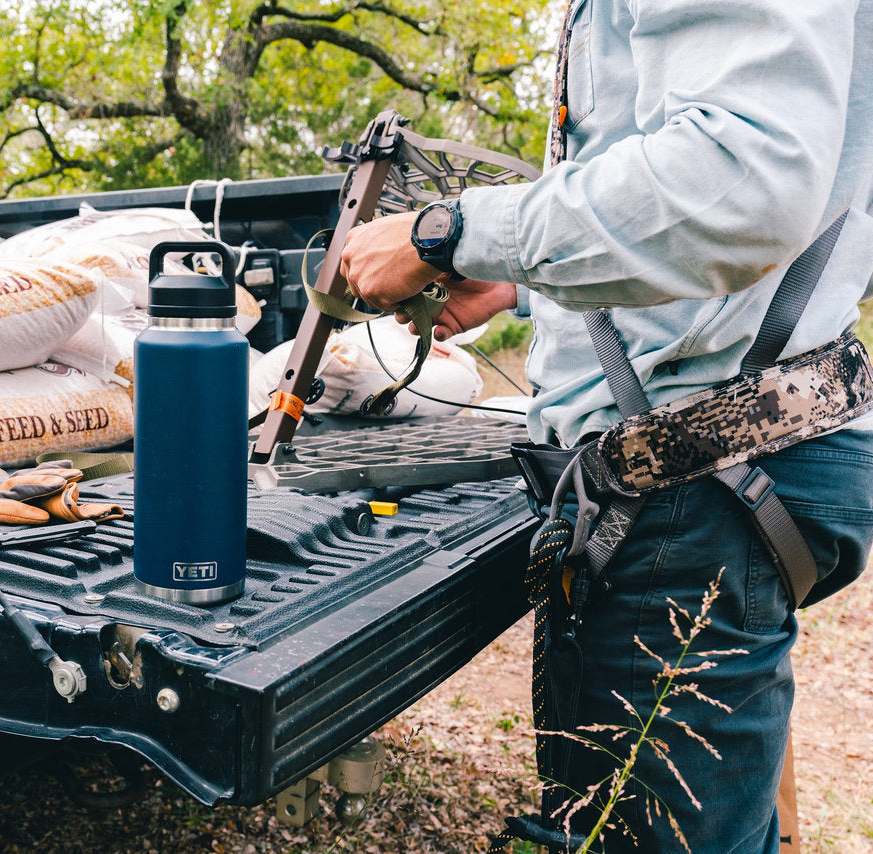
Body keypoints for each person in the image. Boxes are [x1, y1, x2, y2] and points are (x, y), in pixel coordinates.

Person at [340, 1, 873, 851]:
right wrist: (523, 282)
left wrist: (449, 233)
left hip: (700, 483)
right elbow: (702, 225)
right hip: (724, 469)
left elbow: (747, 175)